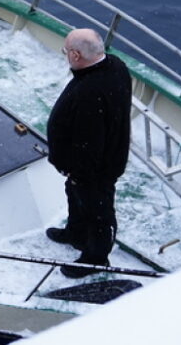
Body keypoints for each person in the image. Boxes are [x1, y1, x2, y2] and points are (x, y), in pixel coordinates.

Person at [45, 28, 132, 278]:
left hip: (94, 169)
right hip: (101, 160)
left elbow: (88, 142)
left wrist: (76, 170)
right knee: (76, 195)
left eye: (65, 51)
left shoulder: (89, 93)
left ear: (75, 55)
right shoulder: (116, 65)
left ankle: (96, 257)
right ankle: (76, 232)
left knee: (98, 210)